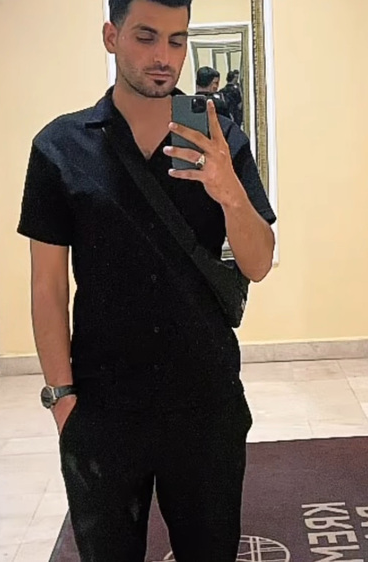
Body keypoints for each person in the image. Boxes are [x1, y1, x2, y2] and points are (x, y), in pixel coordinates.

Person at [17, 0, 276, 560]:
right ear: (111, 37)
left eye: (177, 40)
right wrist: (62, 400)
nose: (164, 56)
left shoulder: (221, 140)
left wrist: (230, 192)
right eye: (146, 37)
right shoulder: (60, 149)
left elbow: (257, 263)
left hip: (205, 403)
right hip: (103, 407)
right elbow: (47, 287)